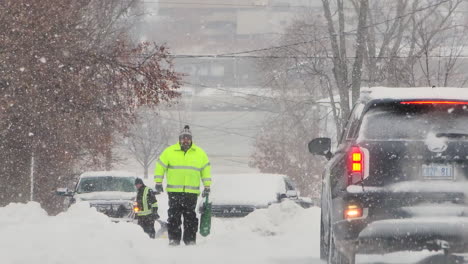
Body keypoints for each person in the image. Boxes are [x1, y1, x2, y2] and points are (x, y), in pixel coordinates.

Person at [154, 125, 211, 246]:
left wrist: (207, 186)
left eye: (188, 138)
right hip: (174, 192)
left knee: (190, 218)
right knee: (174, 217)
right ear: (179, 139)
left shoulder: (200, 153)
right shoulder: (169, 152)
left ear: (191, 139)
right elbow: (160, 166)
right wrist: (158, 182)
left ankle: (190, 240)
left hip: (191, 193)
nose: (185, 140)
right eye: (183, 138)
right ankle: (174, 240)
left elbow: (206, 171)